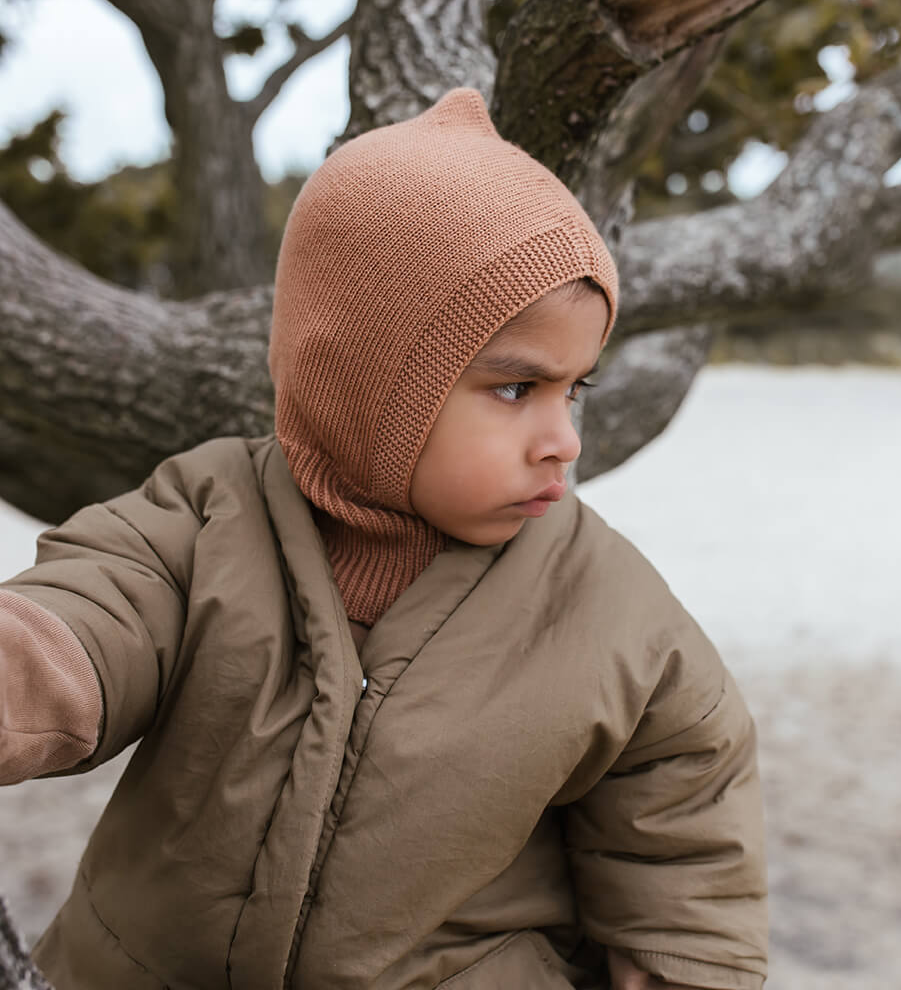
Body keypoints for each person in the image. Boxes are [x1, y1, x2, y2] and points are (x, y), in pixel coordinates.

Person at [0, 89, 768, 989]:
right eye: (517, 388)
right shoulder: (206, 515)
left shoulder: (612, 618)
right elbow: (89, 620)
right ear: (363, 380)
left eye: (577, 388)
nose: (564, 436)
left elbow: (686, 859)